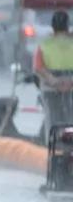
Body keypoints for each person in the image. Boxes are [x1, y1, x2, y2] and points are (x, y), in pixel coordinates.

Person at [33, 10, 73, 143]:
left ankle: (53, 147)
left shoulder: (44, 45)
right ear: (68, 26)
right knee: (70, 120)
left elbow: (38, 68)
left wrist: (55, 82)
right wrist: (69, 83)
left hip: (50, 90)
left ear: (52, 26)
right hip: (71, 90)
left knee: (53, 121)